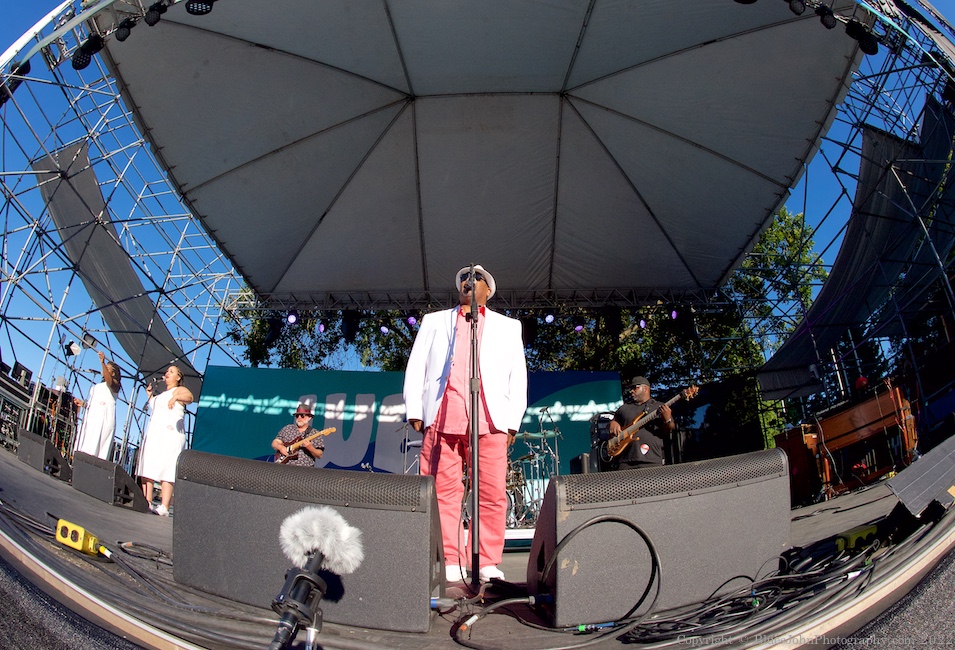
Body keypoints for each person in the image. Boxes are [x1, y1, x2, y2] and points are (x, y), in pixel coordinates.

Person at [403, 264, 528, 584]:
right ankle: (451, 558)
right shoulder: (435, 321)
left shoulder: (508, 326)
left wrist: (512, 421)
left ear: (488, 290)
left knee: (491, 492)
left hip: (489, 418)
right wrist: (415, 408)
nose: (468, 282)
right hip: (444, 414)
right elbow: (417, 365)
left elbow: (518, 375)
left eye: (477, 279)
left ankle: (487, 561)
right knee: (442, 492)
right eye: (463, 279)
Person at [137, 364, 194, 516]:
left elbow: (190, 398)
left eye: (172, 371)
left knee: (167, 469)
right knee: (148, 465)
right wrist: (150, 395)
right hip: (156, 433)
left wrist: (176, 397)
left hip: (171, 434)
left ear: (178, 377)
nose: (167, 373)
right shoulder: (161, 395)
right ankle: (146, 500)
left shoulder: (179, 390)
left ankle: (164, 506)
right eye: (167, 371)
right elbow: (156, 409)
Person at [607, 376, 676, 468]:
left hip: (652, 459)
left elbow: (669, 429)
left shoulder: (659, 407)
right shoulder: (624, 408)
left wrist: (668, 420)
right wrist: (612, 423)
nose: (631, 391)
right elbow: (611, 425)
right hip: (625, 461)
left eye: (635, 387)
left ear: (645, 388)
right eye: (630, 388)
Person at [72, 350, 121, 460]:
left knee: (96, 446)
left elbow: (110, 382)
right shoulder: (99, 386)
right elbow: (95, 402)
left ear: (113, 373)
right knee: (86, 443)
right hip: (92, 416)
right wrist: (83, 404)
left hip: (103, 418)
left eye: (108, 369)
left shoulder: (115, 385)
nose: (104, 370)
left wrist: (102, 362)